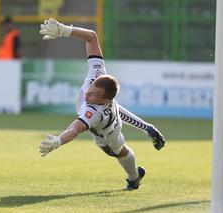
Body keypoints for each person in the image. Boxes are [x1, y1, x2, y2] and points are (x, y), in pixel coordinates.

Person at [39, 18, 165, 190]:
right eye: (91, 89)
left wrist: (58, 141)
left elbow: (75, 129)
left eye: (94, 95)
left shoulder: (94, 112)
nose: (88, 94)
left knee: (119, 151)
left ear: (105, 100)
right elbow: (91, 37)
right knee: (119, 135)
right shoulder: (98, 75)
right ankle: (136, 175)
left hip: (108, 134)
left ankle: (135, 176)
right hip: (112, 114)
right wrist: (64, 30)